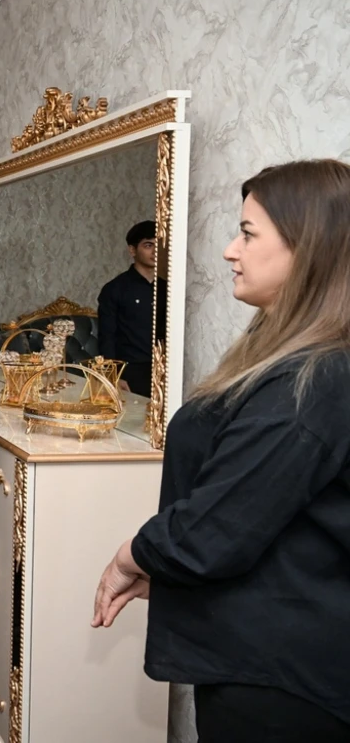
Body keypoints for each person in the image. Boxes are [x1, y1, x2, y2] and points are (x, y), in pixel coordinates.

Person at [92, 159, 350, 740]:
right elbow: (263, 511)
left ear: (308, 247)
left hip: (283, 681)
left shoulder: (314, 379)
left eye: (248, 234)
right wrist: (172, 569)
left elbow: (218, 526)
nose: (231, 251)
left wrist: (133, 555)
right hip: (259, 646)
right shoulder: (287, 354)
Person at [97, 220, 167, 396]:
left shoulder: (168, 289)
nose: (155, 251)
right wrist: (114, 375)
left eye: (158, 245)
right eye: (148, 245)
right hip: (129, 371)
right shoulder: (115, 289)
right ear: (132, 250)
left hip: (164, 370)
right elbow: (107, 336)